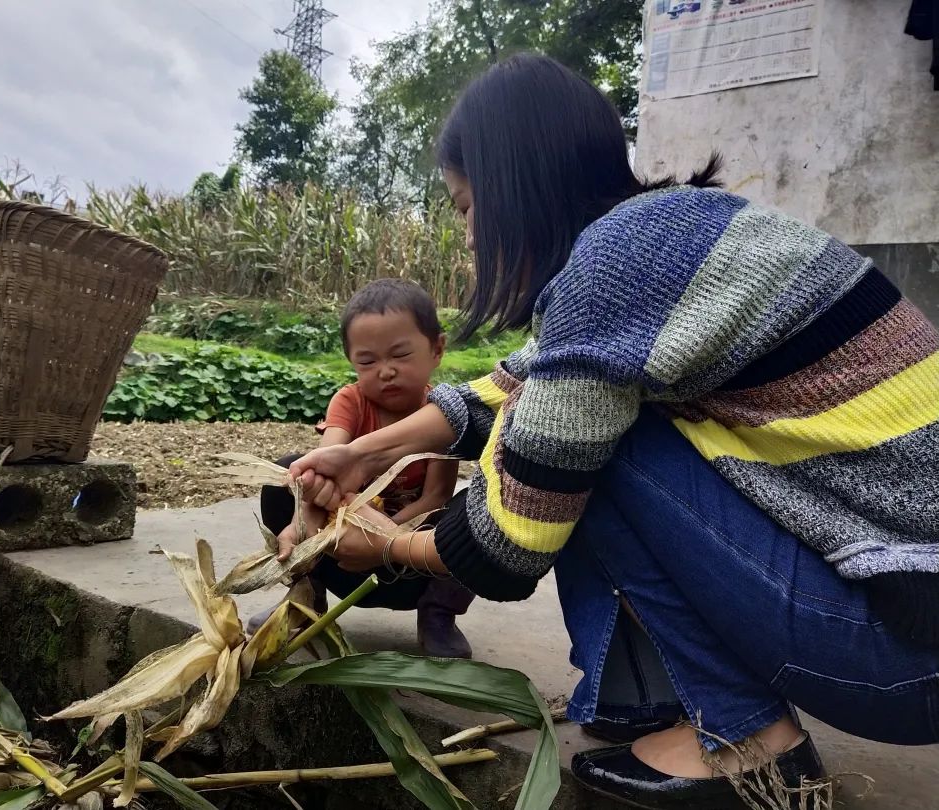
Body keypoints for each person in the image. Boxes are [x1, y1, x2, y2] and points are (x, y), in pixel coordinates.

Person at [285, 53, 939, 808]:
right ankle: (646, 696)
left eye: (465, 209)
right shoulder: (672, 236)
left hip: (902, 662)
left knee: (590, 448)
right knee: (571, 425)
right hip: (910, 622)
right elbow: (514, 383)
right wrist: (361, 450)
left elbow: (507, 544)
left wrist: (371, 542)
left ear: (513, 187)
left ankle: (744, 735)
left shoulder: (612, 272)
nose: (466, 238)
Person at [250, 278, 472, 658]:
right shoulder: (350, 401)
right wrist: (301, 522)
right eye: (368, 361)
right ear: (352, 360)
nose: (385, 371)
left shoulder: (441, 415)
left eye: (400, 355)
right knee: (287, 473)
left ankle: (438, 614)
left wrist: (386, 538)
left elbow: (435, 497)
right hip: (342, 551)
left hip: (413, 563)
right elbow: (324, 465)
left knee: (472, 512)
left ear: (437, 348)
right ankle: (306, 598)